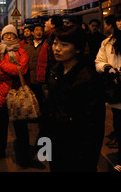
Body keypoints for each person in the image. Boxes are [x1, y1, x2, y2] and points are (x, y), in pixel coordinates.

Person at [44, 25, 105, 172]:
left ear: (77, 49)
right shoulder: (55, 71)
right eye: (55, 43)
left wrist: (89, 161)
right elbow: (48, 112)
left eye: (64, 45)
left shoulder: (88, 78)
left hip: (76, 150)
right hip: (55, 144)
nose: (57, 48)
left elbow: (94, 125)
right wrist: (44, 145)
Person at [0, 24, 31, 167]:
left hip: (17, 95)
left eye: (11, 35)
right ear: (2, 36)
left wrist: (3, 64)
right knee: (1, 126)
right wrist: (13, 71)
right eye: (6, 35)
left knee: (20, 127)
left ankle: (24, 154)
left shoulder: (22, 52)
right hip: (0, 95)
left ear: (15, 37)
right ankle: (0, 149)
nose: (8, 37)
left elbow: (23, 69)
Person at [95, 15, 121, 171]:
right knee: (119, 128)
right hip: (117, 93)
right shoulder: (106, 43)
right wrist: (109, 69)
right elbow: (99, 61)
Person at [36, 15, 63, 85]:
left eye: (48, 21)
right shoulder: (48, 37)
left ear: (53, 25)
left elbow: (53, 60)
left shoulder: (54, 37)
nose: (45, 23)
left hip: (51, 77)